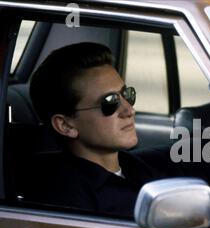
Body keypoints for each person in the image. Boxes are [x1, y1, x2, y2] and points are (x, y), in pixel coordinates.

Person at [25, 42, 169, 217]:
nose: (129, 110)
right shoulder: (67, 200)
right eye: (109, 102)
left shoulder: (140, 168)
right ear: (66, 125)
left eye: (127, 95)